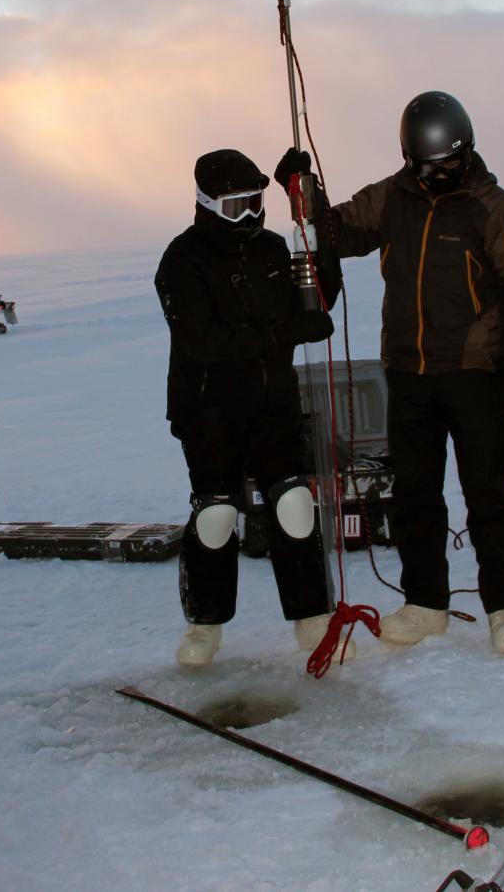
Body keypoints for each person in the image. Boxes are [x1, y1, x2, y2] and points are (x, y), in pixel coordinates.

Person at [275, 91, 504, 655]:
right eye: (430, 166)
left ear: (467, 148)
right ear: (409, 158)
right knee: (416, 496)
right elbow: (338, 231)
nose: (442, 174)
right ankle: (426, 604)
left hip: (475, 376)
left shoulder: (496, 211)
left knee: (490, 495)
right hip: (409, 374)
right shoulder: (393, 198)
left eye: (451, 162)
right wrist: (304, 191)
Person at [154, 148, 343, 668]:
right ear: (207, 204)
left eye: (258, 202)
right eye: (238, 206)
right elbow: (206, 341)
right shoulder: (180, 261)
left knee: (293, 506)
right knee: (216, 513)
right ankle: (205, 624)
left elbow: (319, 295)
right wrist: (288, 332)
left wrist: (308, 211)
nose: (252, 216)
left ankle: (312, 617)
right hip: (208, 409)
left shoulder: (274, 248)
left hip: (273, 403)